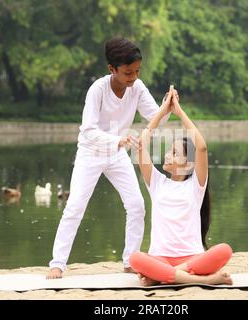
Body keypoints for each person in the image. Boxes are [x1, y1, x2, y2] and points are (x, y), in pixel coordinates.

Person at [47, 37, 171, 279]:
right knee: (74, 207)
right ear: (111, 69)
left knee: (137, 205)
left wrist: (168, 106)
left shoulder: (137, 88)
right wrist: (118, 140)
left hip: (117, 155)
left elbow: (158, 119)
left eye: (137, 71)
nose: (133, 77)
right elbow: (88, 131)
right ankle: (57, 264)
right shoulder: (98, 90)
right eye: (127, 72)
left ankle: (130, 261)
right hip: (90, 154)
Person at [129, 87, 233, 286]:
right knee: (135, 258)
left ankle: (166, 276)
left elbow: (201, 147)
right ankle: (206, 280)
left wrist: (179, 111)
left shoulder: (196, 186)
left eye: (174, 153)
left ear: (189, 163)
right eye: (169, 151)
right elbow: (141, 145)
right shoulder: (157, 182)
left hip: (192, 258)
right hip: (161, 257)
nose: (168, 155)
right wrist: (162, 111)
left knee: (224, 250)